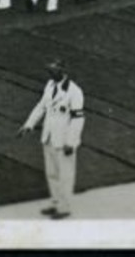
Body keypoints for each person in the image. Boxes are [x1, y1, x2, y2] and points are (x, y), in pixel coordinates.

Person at [18, 60, 85, 219]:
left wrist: (71, 141)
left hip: (64, 141)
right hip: (48, 136)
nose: (50, 74)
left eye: (54, 71)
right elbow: (41, 106)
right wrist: (29, 125)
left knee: (65, 175)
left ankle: (64, 207)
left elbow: (78, 119)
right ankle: (55, 202)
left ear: (63, 70)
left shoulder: (74, 92)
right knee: (52, 173)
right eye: (49, 71)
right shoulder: (50, 85)